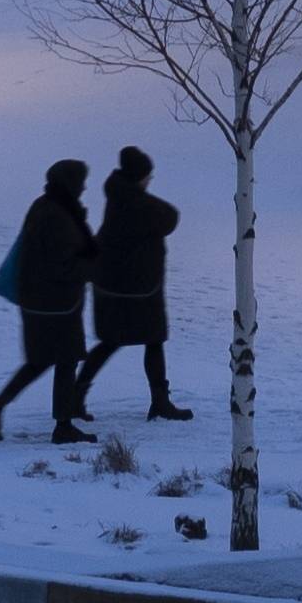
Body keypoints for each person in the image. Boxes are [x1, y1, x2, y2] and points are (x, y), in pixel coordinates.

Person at [0, 158, 97, 441]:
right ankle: (62, 427)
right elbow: (61, 264)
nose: (84, 186)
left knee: (41, 359)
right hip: (54, 303)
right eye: (81, 181)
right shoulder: (57, 214)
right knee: (65, 358)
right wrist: (93, 268)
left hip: (41, 299)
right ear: (70, 183)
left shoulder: (47, 205)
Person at [88, 143, 189, 419]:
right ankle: (160, 401)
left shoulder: (119, 195)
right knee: (150, 340)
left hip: (119, 285)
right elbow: (170, 217)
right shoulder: (134, 201)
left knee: (115, 341)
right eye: (147, 176)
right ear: (138, 176)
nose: (149, 180)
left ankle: (76, 395)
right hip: (137, 288)